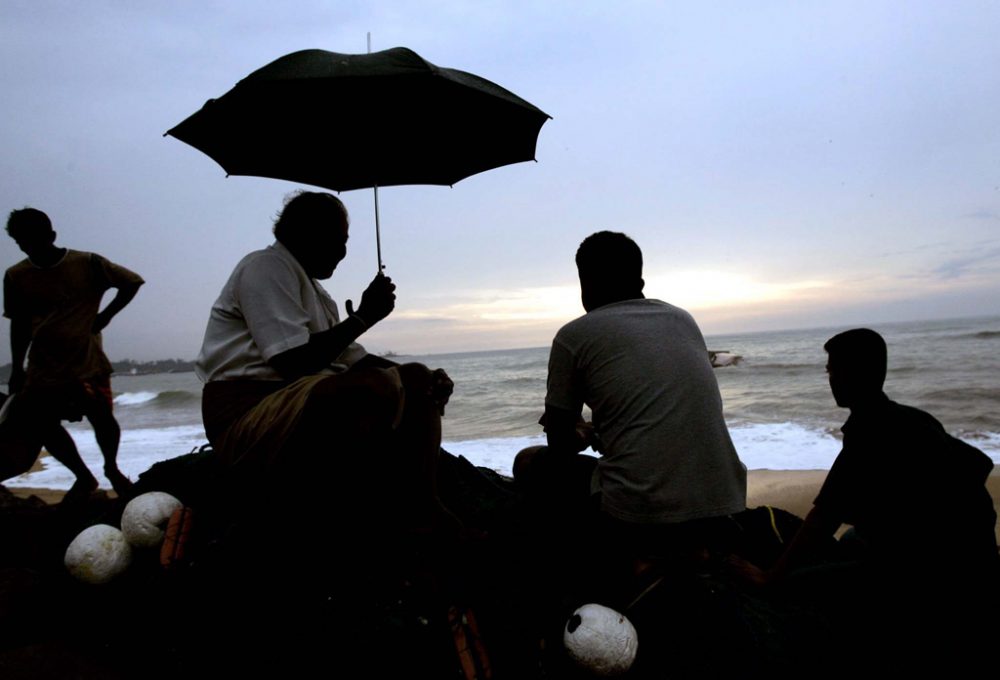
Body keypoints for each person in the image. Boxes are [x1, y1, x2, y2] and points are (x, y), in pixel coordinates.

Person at [732, 328, 998, 665]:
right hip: (972, 557)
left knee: (799, 586)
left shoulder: (868, 431)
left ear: (851, 373)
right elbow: (981, 463)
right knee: (855, 537)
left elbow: (823, 519)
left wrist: (768, 577)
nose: (829, 379)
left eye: (832, 370)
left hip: (926, 575)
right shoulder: (913, 417)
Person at [195, 191, 454, 528]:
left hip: (295, 400)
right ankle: (368, 511)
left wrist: (425, 377)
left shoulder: (319, 295)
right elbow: (291, 363)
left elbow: (352, 360)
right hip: (246, 414)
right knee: (370, 390)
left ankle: (425, 502)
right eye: (338, 240)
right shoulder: (265, 266)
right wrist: (362, 318)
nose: (344, 252)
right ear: (306, 234)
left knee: (416, 377)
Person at [519, 231, 747, 574]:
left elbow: (559, 443)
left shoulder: (573, 336)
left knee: (529, 462)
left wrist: (583, 433)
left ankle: (582, 559)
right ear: (640, 279)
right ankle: (692, 552)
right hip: (724, 504)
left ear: (584, 283)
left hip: (640, 517)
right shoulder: (682, 319)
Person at [3, 207, 143, 498]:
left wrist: (105, 316)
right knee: (42, 424)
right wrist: (17, 367)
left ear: (52, 236)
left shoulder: (88, 263)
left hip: (87, 363)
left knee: (103, 419)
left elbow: (131, 282)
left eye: (35, 240)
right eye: (22, 243)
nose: (30, 248)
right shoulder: (16, 276)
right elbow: (18, 324)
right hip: (42, 366)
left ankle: (111, 469)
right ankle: (83, 476)